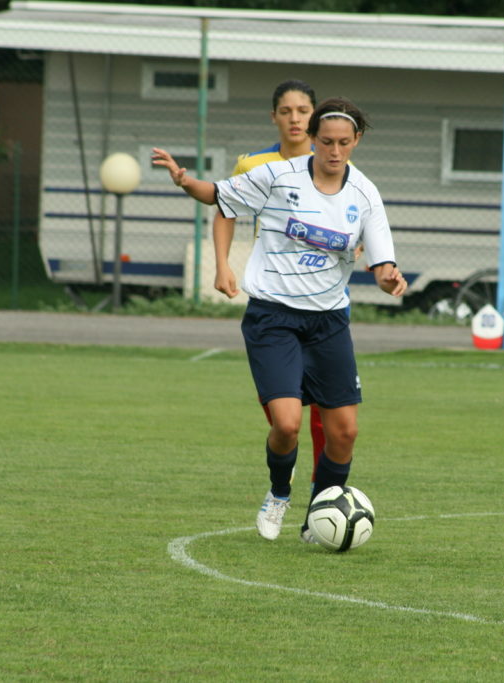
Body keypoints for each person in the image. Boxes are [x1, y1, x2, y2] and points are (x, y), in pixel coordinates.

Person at [152, 97, 407, 542]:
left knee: (344, 433)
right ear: (313, 138)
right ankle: (278, 493)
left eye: (343, 143)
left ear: (357, 140)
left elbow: (384, 262)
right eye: (326, 141)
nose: (334, 151)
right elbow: (219, 196)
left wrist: (388, 278)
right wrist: (185, 181)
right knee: (287, 424)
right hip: (273, 317)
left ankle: (318, 518)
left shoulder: (365, 193)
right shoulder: (277, 176)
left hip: (329, 321)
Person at [211, 79, 329, 485]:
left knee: (327, 406)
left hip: (324, 296)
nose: (295, 119)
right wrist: (223, 264)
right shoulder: (254, 165)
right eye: (286, 111)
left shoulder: (332, 161)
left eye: (303, 111)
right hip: (274, 295)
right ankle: (284, 449)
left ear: (315, 115)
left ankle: (322, 490)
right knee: (283, 403)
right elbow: (226, 208)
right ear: (273, 117)